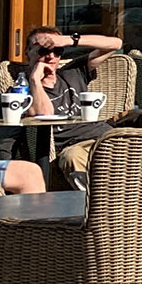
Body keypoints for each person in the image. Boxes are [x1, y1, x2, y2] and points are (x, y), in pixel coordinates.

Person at [21, 25, 125, 186]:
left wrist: (68, 40)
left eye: (57, 51)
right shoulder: (22, 91)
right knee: (72, 157)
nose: (51, 56)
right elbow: (44, 115)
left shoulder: (73, 72)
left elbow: (116, 44)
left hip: (107, 137)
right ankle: (94, 206)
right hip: (75, 147)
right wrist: (35, 80)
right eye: (43, 51)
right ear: (27, 52)